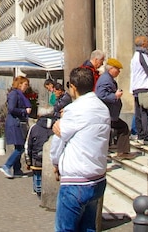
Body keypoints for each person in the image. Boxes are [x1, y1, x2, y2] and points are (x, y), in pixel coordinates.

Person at [51, 67, 110, 232]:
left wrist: (55, 163)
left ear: (73, 87)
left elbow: (58, 141)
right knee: (88, 228)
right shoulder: (102, 108)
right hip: (97, 177)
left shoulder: (74, 110)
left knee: (65, 229)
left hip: (76, 180)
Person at [95, 58, 132, 158]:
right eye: (117, 69)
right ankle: (122, 152)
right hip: (107, 113)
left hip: (110, 112)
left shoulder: (107, 78)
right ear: (111, 68)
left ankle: (120, 151)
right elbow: (100, 95)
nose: (119, 72)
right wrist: (115, 96)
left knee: (119, 129)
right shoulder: (106, 79)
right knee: (123, 128)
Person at [0, 76, 31, 178]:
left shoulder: (20, 94)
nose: (27, 87)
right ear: (20, 84)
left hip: (18, 122)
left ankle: (17, 170)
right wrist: (24, 111)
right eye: (25, 84)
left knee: (18, 146)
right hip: (14, 123)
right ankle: (7, 165)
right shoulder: (14, 94)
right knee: (20, 147)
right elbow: (11, 109)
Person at [130, 35, 148, 144]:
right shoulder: (142, 55)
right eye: (146, 41)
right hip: (144, 87)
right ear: (143, 44)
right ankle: (147, 136)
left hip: (136, 87)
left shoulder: (134, 56)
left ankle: (140, 134)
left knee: (139, 112)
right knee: (146, 112)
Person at [26, 115, 55, 197]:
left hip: (37, 158)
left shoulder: (34, 128)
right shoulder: (55, 127)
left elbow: (28, 145)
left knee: (37, 173)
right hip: (50, 158)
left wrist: (28, 161)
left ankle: (37, 189)